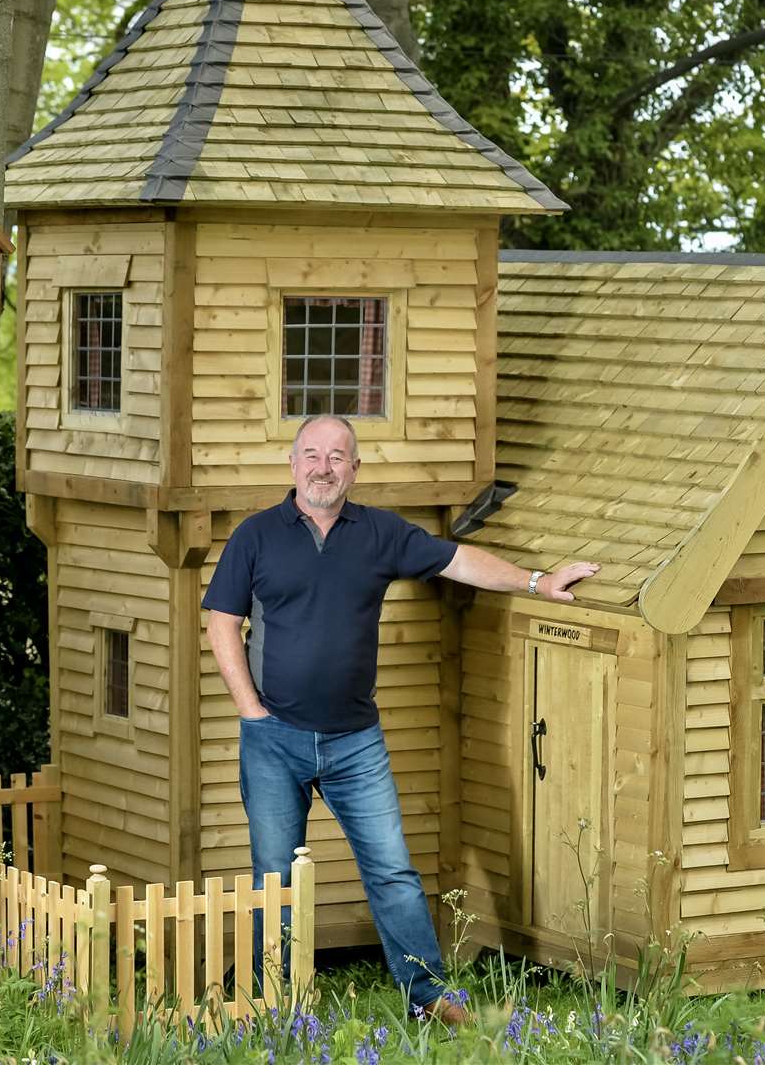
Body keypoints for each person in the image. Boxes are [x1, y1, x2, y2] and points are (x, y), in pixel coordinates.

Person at [202, 414, 598, 1025]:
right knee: (273, 880)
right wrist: (252, 713)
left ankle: (431, 998)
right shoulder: (255, 537)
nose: (323, 467)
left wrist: (537, 581)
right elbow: (221, 623)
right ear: (292, 464)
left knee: (392, 871)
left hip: (356, 740)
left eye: (338, 456)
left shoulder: (379, 532)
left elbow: (457, 561)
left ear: (354, 470)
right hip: (273, 737)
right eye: (312, 454)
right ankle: (269, 1003)